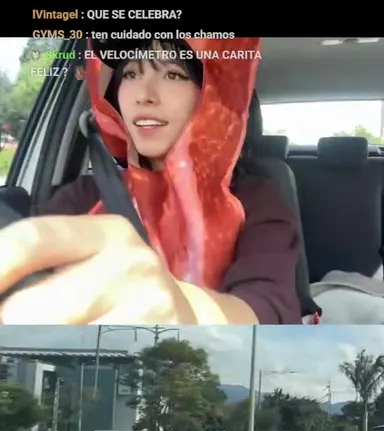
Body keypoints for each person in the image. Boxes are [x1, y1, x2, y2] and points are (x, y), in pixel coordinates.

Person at [0, 37, 302, 325]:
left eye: (173, 75)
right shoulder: (86, 195)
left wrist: (186, 312)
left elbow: (267, 310)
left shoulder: (255, 200)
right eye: (130, 73)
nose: (144, 95)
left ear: (212, 95)